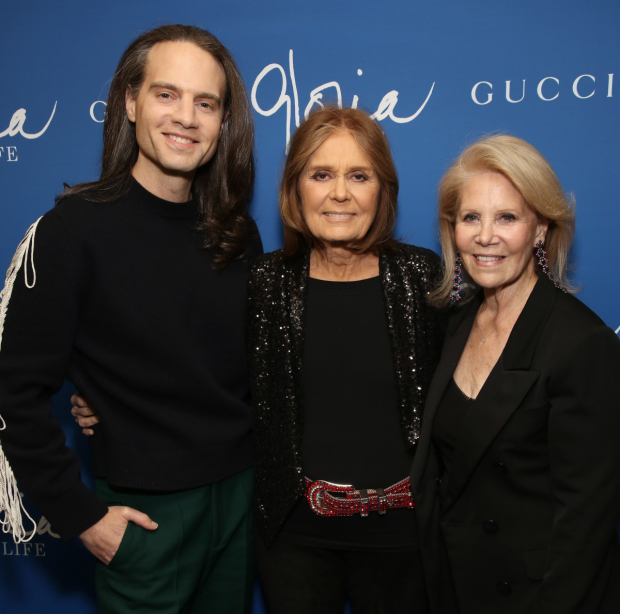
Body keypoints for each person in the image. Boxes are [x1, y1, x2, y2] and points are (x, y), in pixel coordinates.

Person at [0, 24, 261, 614]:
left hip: (241, 501)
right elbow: (12, 391)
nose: (186, 117)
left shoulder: (238, 236)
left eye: (206, 103)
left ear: (224, 122)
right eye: (167, 94)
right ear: (130, 102)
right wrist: (81, 515)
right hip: (147, 518)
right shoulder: (72, 230)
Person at [246, 106, 446, 614]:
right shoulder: (262, 284)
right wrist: (107, 403)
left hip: (406, 538)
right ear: (295, 189)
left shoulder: (426, 278)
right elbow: (202, 372)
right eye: (321, 175)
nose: (340, 193)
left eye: (359, 175)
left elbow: (480, 379)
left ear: (383, 189)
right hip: (293, 538)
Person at [410, 135, 620, 614]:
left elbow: (585, 523)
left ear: (541, 228)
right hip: (458, 586)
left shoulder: (582, 344)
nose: (486, 236)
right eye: (470, 218)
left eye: (507, 217)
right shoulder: (456, 321)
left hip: (541, 595)